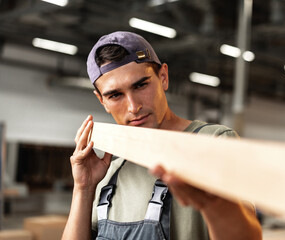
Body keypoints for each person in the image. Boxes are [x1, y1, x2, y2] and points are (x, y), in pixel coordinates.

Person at [62, 31, 262, 240]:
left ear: (163, 77)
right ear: (102, 101)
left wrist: (216, 207)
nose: (133, 107)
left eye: (140, 85)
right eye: (115, 95)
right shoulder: (109, 169)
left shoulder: (212, 143)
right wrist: (83, 188)